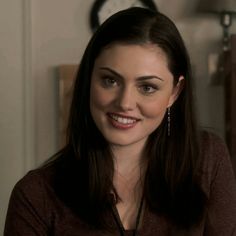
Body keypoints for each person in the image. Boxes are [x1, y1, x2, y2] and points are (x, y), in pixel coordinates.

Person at [4, 7, 236, 236]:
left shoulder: (208, 160)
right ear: (89, 80)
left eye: (147, 87)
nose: (125, 102)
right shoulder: (35, 195)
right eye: (110, 81)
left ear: (175, 93)